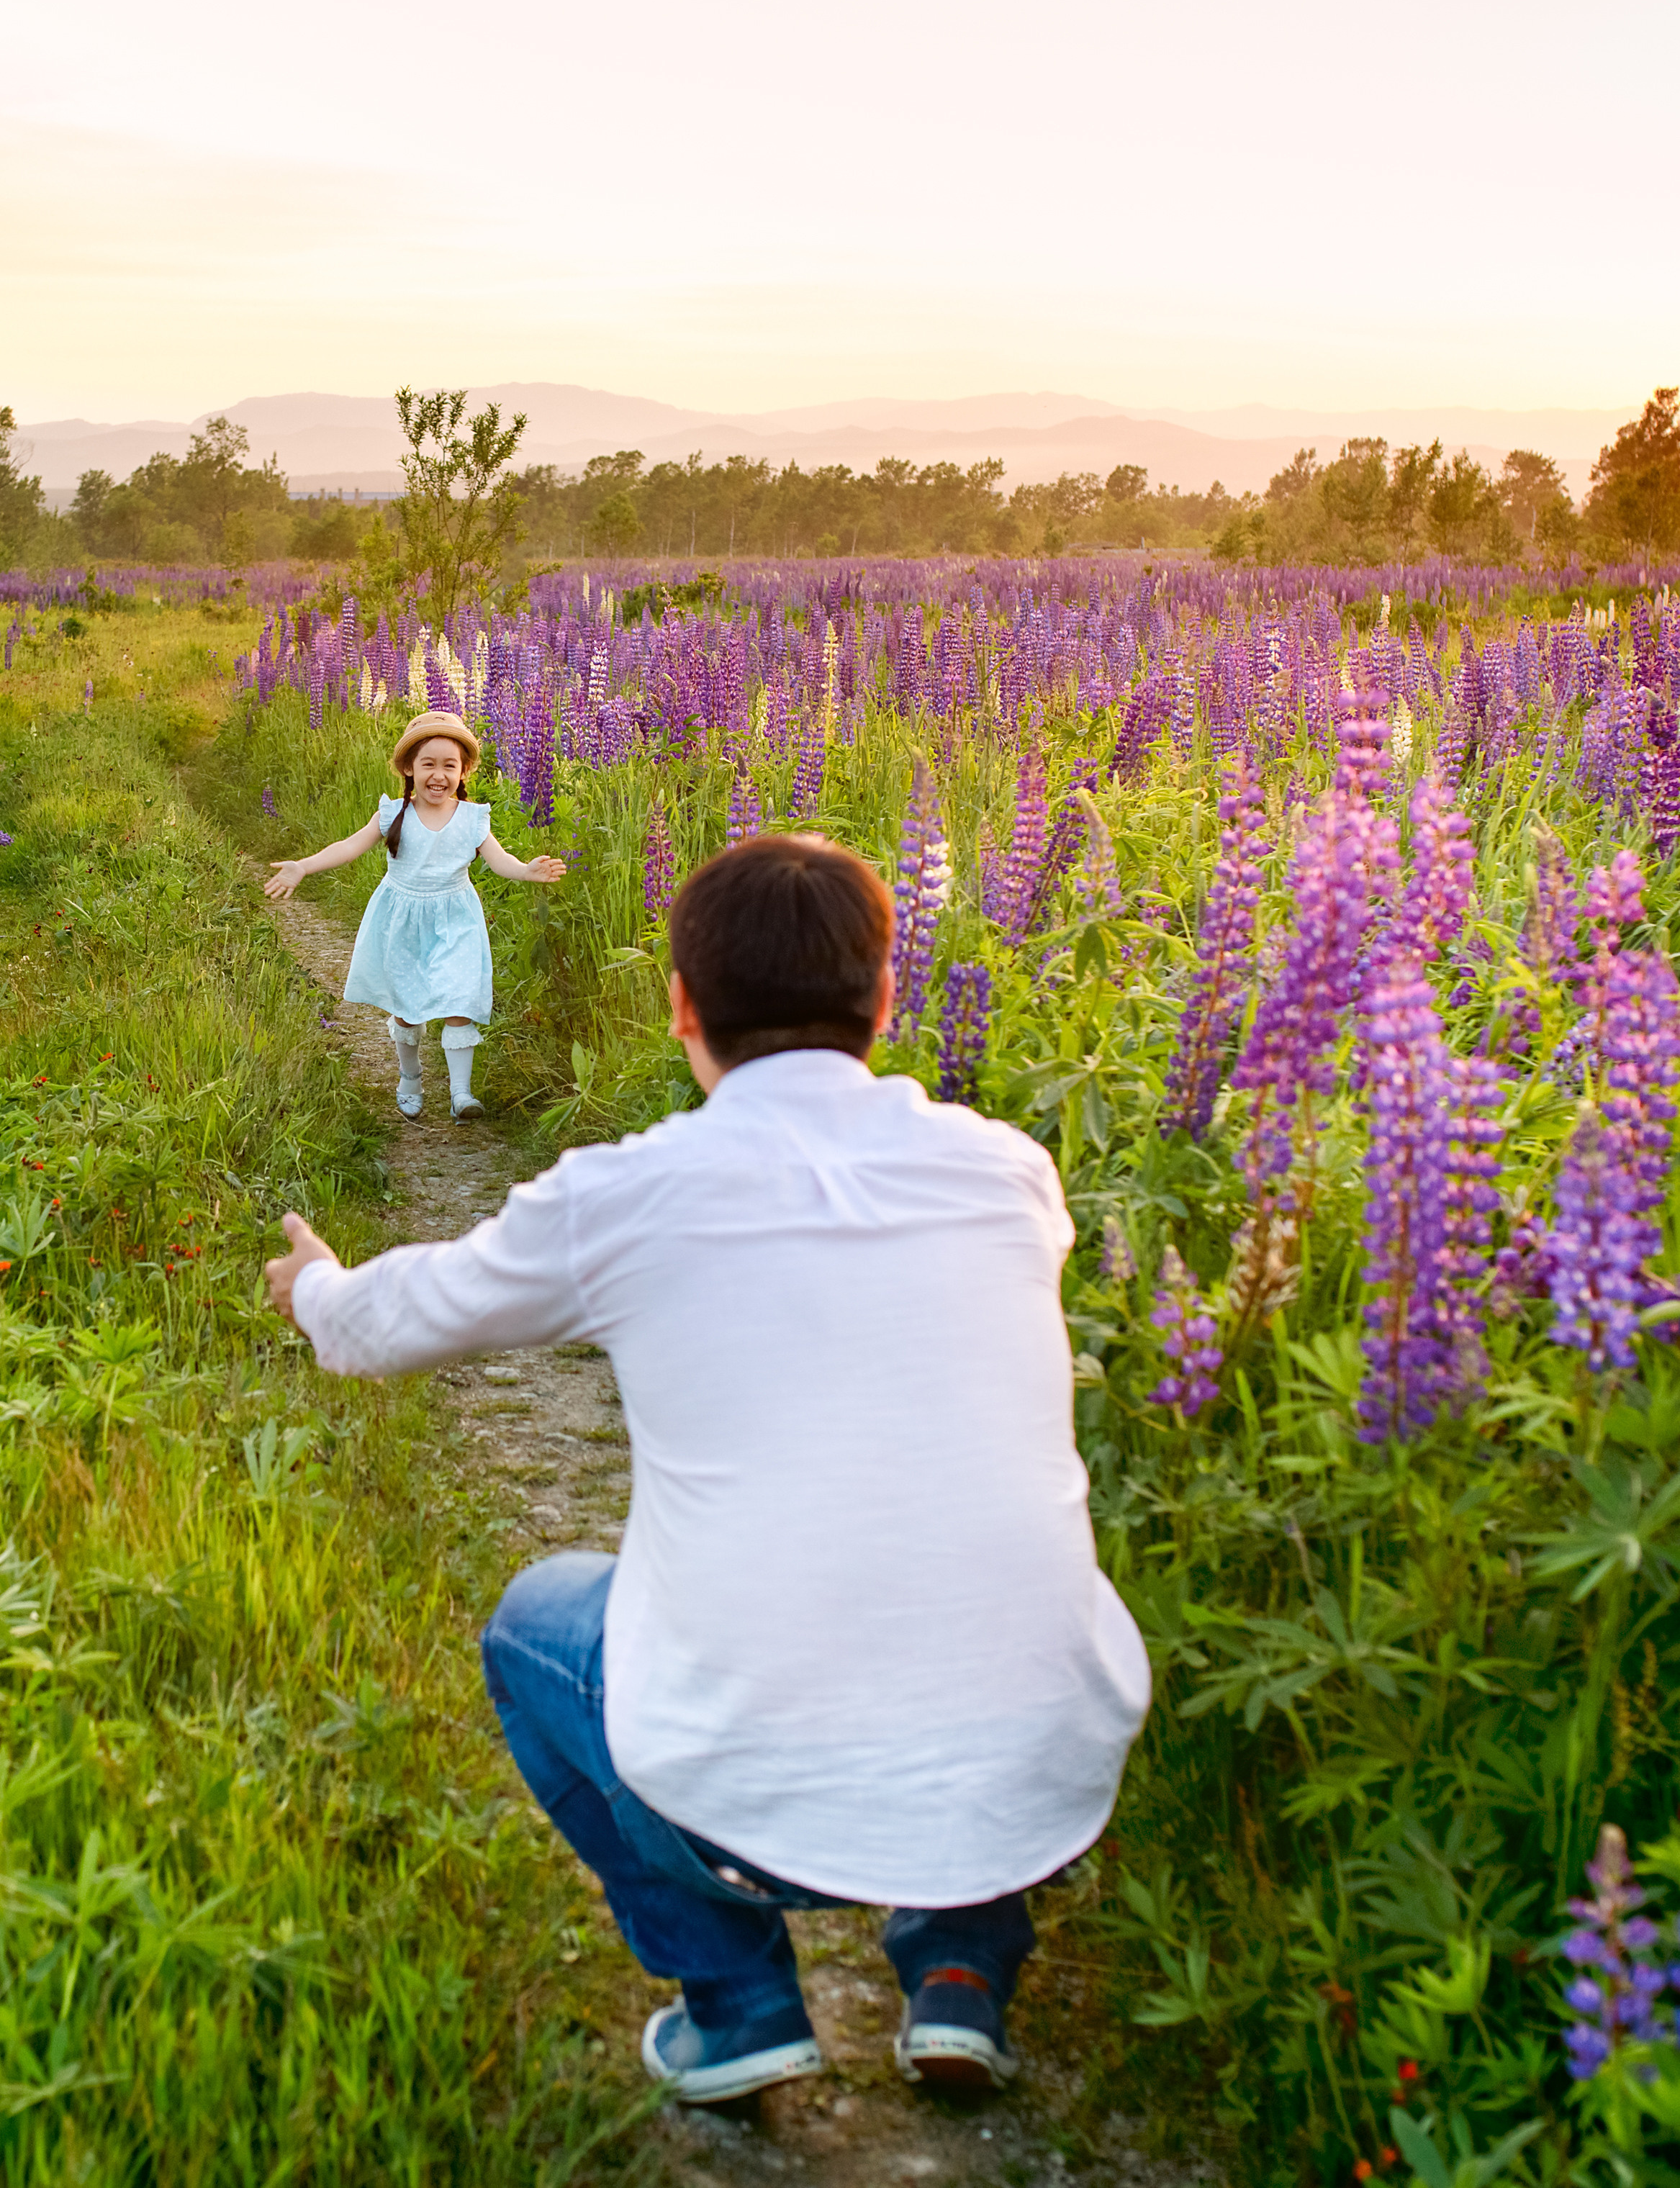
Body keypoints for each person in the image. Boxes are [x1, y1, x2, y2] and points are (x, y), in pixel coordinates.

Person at [264, 833, 1150, 2107]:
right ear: (886, 1000)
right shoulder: (1011, 1172)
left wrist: (318, 1288)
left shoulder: (629, 1195)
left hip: (742, 1795)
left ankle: (733, 2004)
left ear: (681, 1005)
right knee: (960, 1565)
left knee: (534, 1625)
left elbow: (387, 1325)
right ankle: (960, 1967)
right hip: (1036, 1774)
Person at [263, 710, 565, 1120]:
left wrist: (528, 870)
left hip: (455, 919)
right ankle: (410, 1077)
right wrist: (303, 865)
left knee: (459, 998)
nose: (438, 775)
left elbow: (499, 860)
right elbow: (348, 848)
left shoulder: (471, 819)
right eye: (428, 764)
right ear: (409, 768)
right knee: (407, 1006)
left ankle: (462, 1094)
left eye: (450, 765)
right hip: (403, 921)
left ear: (463, 772)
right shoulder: (393, 814)